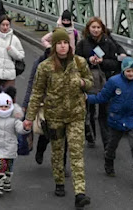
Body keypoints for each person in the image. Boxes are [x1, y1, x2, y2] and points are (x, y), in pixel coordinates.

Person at [24, 28, 93, 209]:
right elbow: (37, 92)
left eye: (65, 43)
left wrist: (84, 83)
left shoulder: (79, 63)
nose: (63, 47)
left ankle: (80, 192)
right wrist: (29, 117)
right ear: (54, 46)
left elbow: (90, 82)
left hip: (76, 115)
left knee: (76, 152)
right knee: (57, 151)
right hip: (54, 116)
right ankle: (59, 181)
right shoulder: (45, 67)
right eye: (59, 43)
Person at [87, 57, 133, 189]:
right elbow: (103, 96)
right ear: (123, 71)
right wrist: (88, 99)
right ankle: (109, 161)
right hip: (116, 117)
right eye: (128, 71)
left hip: (132, 118)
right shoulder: (114, 82)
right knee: (112, 144)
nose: (131, 74)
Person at [75, 16, 127, 147]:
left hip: (105, 81)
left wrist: (102, 62)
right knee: (89, 111)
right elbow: (76, 62)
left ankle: (107, 142)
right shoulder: (82, 44)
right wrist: (88, 61)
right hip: (89, 80)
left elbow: (116, 64)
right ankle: (90, 136)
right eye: (93, 27)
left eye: (98, 27)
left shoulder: (108, 43)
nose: (96, 30)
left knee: (104, 111)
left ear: (102, 29)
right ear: (88, 29)